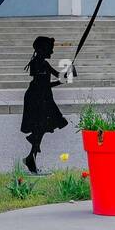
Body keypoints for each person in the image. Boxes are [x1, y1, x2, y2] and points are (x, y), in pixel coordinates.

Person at [19, 36, 68, 174]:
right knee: (41, 125)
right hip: (36, 98)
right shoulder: (36, 63)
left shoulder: (45, 64)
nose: (51, 53)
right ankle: (32, 152)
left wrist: (68, 73)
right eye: (50, 49)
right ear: (42, 49)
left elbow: (58, 74)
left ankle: (31, 156)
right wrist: (61, 81)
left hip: (44, 97)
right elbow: (43, 84)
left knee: (43, 126)